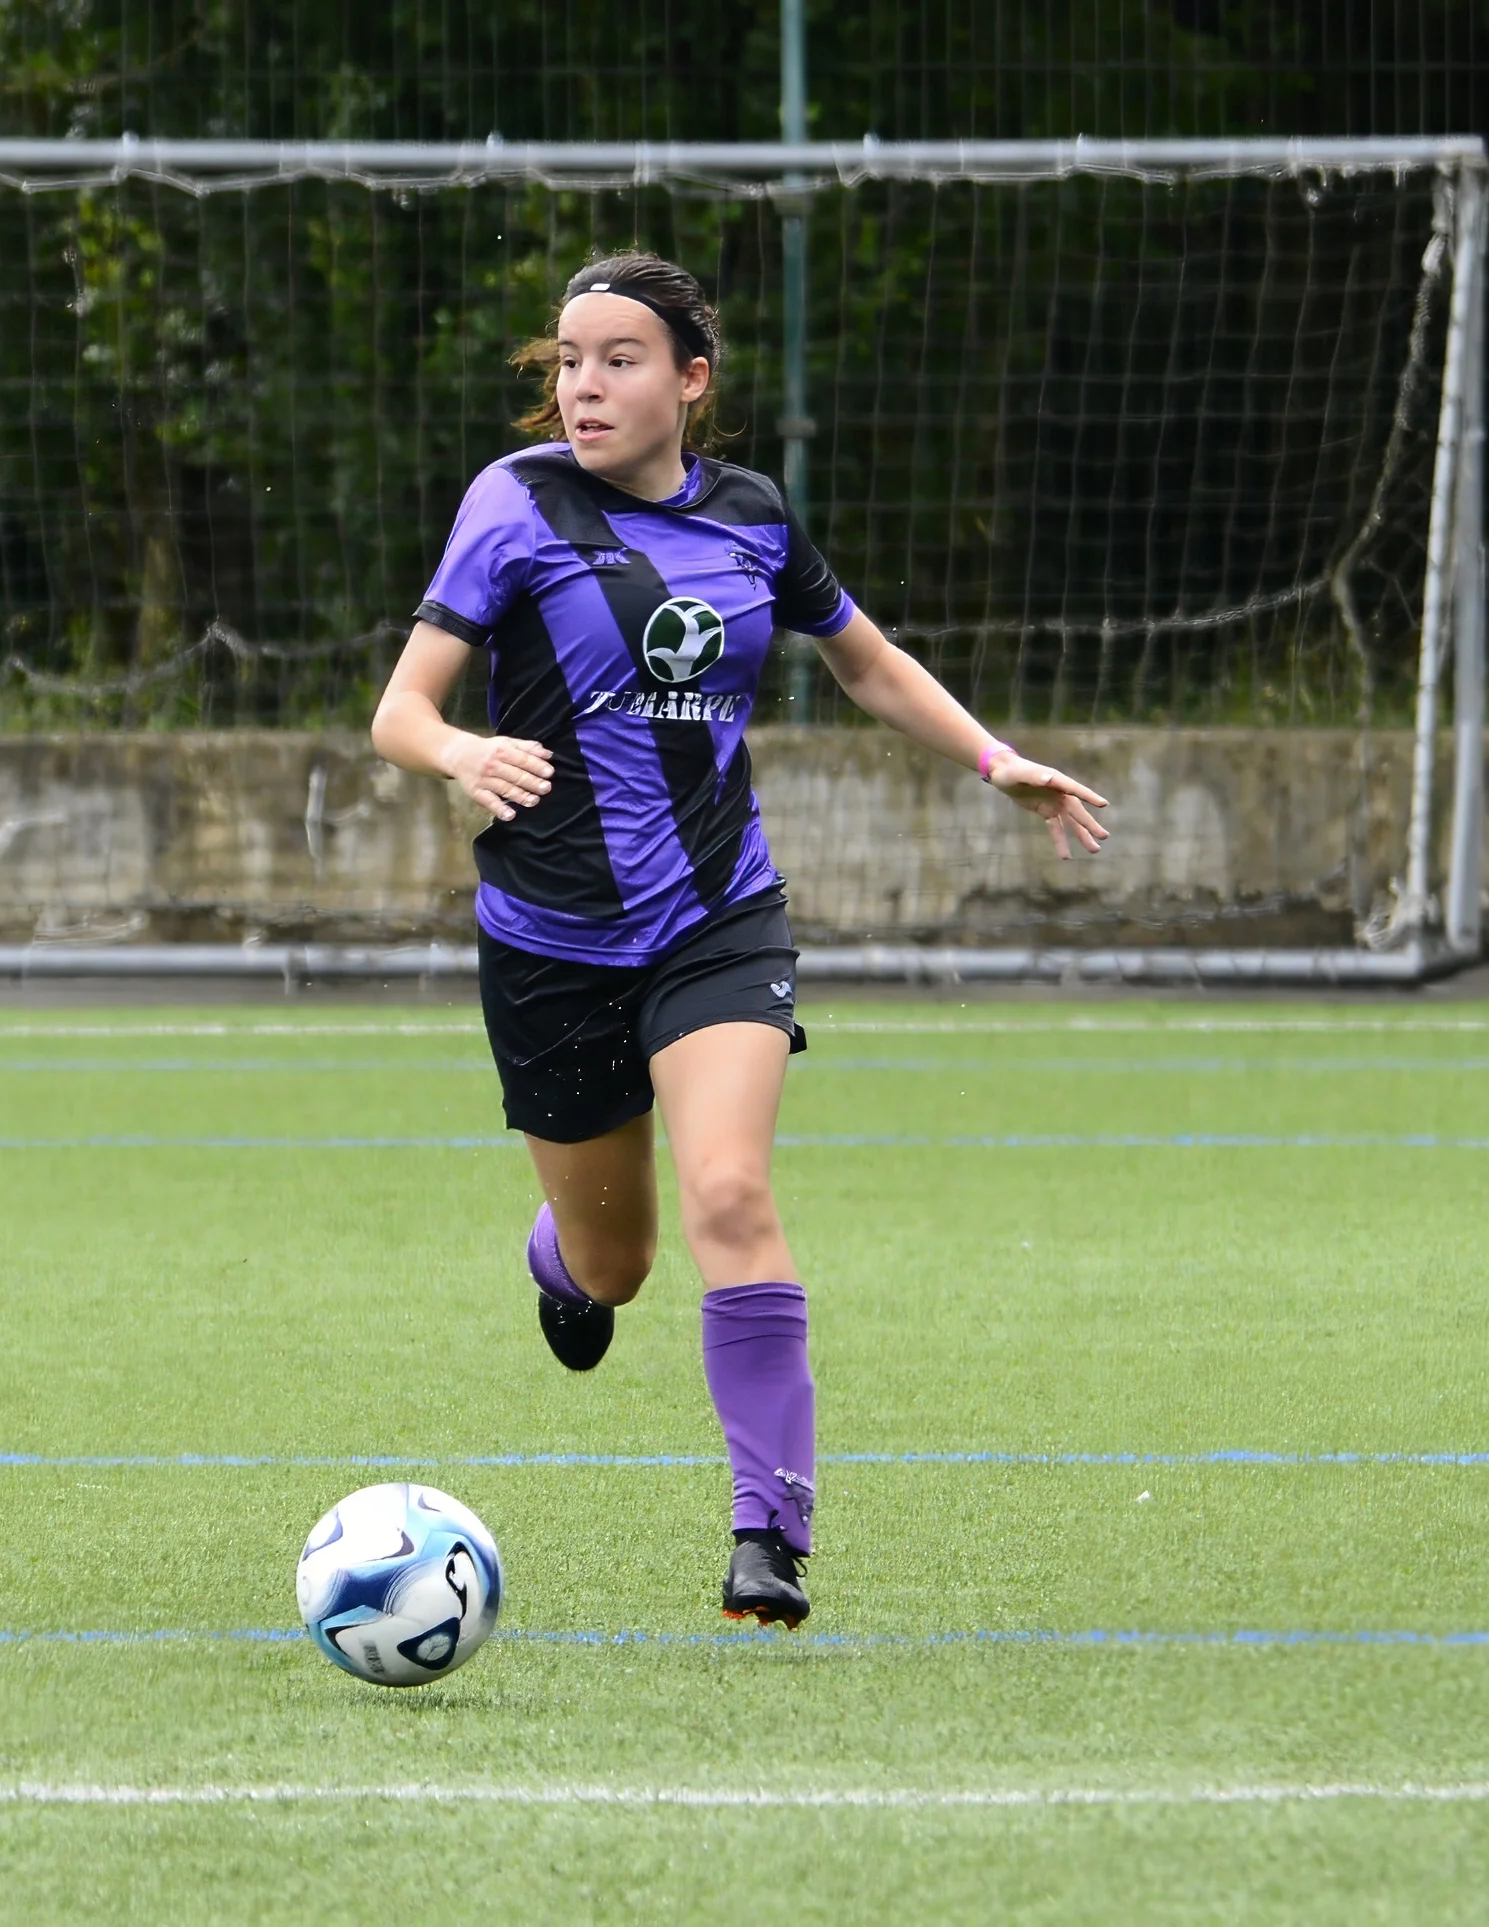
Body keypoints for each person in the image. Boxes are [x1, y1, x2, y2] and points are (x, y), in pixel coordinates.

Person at [370, 252, 1109, 1626]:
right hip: (548, 938)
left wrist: (992, 757)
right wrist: (460, 751)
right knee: (617, 1263)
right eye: (569, 361)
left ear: (690, 380)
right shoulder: (513, 500)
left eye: (619, 359)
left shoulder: (754, 516)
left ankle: (768, 1533)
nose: (584, 386)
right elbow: (399, 710)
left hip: (716, 917)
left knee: (728, 1190)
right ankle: (562, 1257)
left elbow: (864, 659)